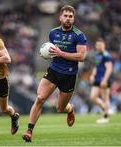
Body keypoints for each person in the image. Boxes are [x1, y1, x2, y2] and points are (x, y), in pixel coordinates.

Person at [22, 5, 87, 142]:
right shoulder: (53, 33)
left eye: (71, 16)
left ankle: (70, 109)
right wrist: (45, 53)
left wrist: (61, 53)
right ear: (60, 17)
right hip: (53, 71)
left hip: (69, 75)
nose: (68, 19)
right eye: (66, 16)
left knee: (60, 108)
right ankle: (29, 131)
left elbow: (81, 57)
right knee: (40, 98)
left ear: (73, 18)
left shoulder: (79, 35)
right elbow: (51, 51)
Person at [90, 38, 113, 124]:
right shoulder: (97, 55)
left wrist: (105, 80)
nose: (98, 46)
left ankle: (105, 117)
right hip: (97, 79)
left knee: (105, 98)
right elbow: (96, 66)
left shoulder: (106, 55)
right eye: (97, 45)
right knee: (93, 97)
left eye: (100, 45)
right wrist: (92, 75)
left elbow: (109, 68)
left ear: (104, 45)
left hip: (104, 79)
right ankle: (106, 109)